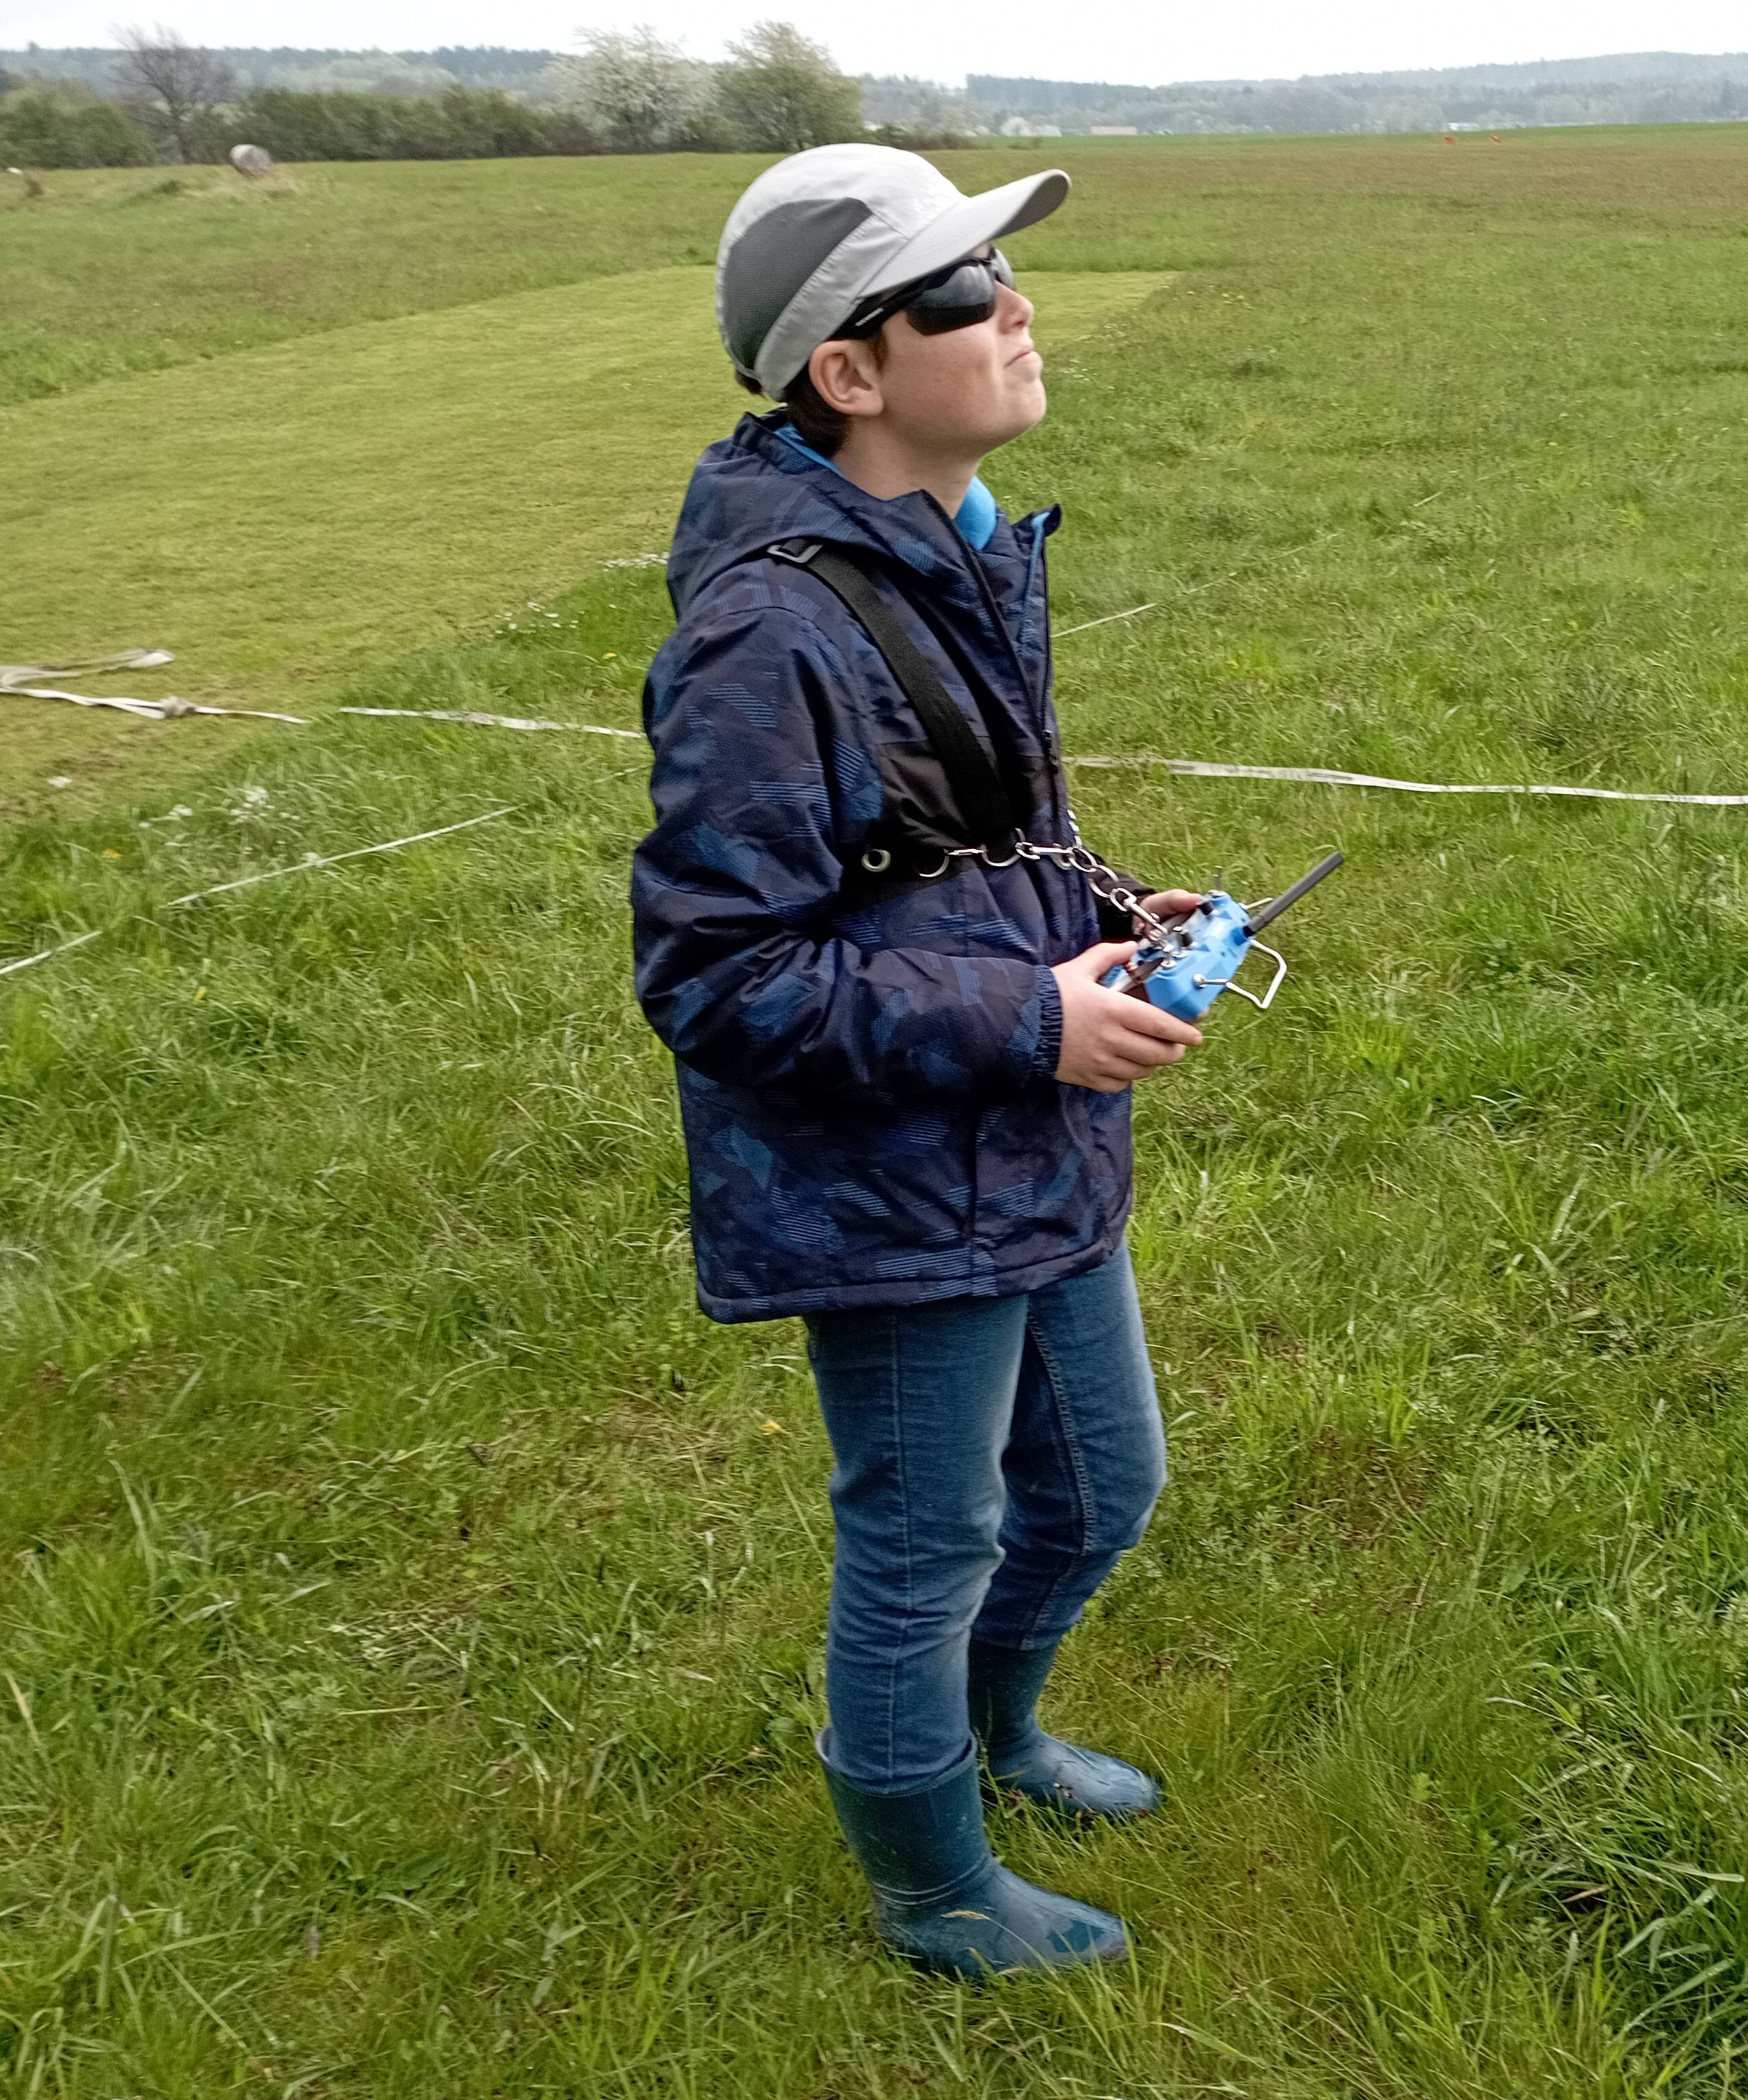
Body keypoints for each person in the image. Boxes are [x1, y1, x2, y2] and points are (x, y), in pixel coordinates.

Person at [630, 145, 1207, 1980]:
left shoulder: (953, 543)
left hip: (1021, 1137)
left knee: (1099, 1488)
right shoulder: (767, 632)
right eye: (963, 290)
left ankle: (992, 1735)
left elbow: (942, 843)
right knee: (929, 1535)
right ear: (849, 373)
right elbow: (720, 975)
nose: (1017, 308)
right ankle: (933, 1883)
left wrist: (1100, 908)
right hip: (886, 1177)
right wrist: (1032, 1018)